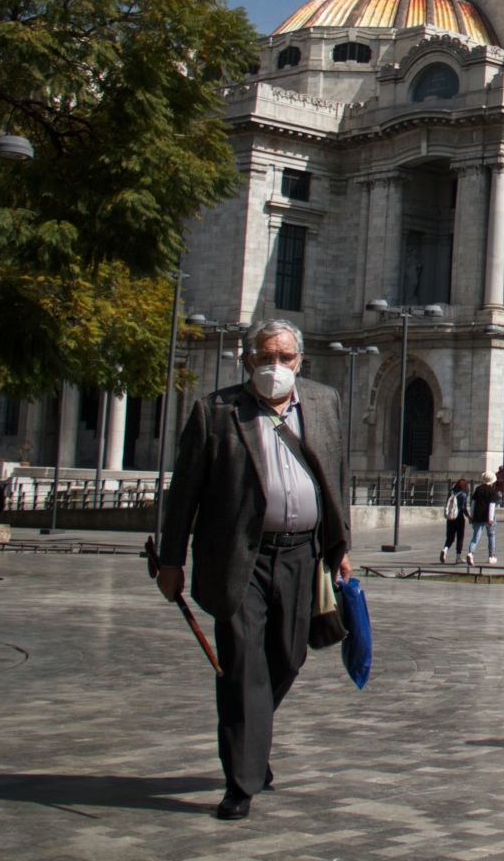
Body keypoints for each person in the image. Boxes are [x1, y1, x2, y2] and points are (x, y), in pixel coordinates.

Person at [157, 318, 351, 820]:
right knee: (243, 665)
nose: (275, 367)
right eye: (265, 357)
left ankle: (251, 742)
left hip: (301, 555)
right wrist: (173, 560)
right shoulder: (216, 411)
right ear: (246, 360)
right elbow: (185, 495)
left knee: (289, 658)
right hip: (239, 556)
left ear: (300, 362)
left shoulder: (324, 403)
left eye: (285, 358)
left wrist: (340, 545)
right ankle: (240, 783)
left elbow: (335, 476)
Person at [465, 471, 498, 565]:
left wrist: (471, 515)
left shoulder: (478, 489)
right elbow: (492, 505)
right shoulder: (492, 491)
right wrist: (490, 518)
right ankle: (491, 556)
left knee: (476, 536)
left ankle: (471, 553)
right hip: (488, 517)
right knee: (491, 535)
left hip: (477, 516)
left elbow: (473, 504)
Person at [440, 476, 470, 564]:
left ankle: (444, 550)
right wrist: (468, 516)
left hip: (450, 518)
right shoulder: (463, 495)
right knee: (460, 537)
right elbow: (463, 508)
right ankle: (458, 557)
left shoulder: (451, 492)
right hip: (459, 518)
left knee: (450, 537)